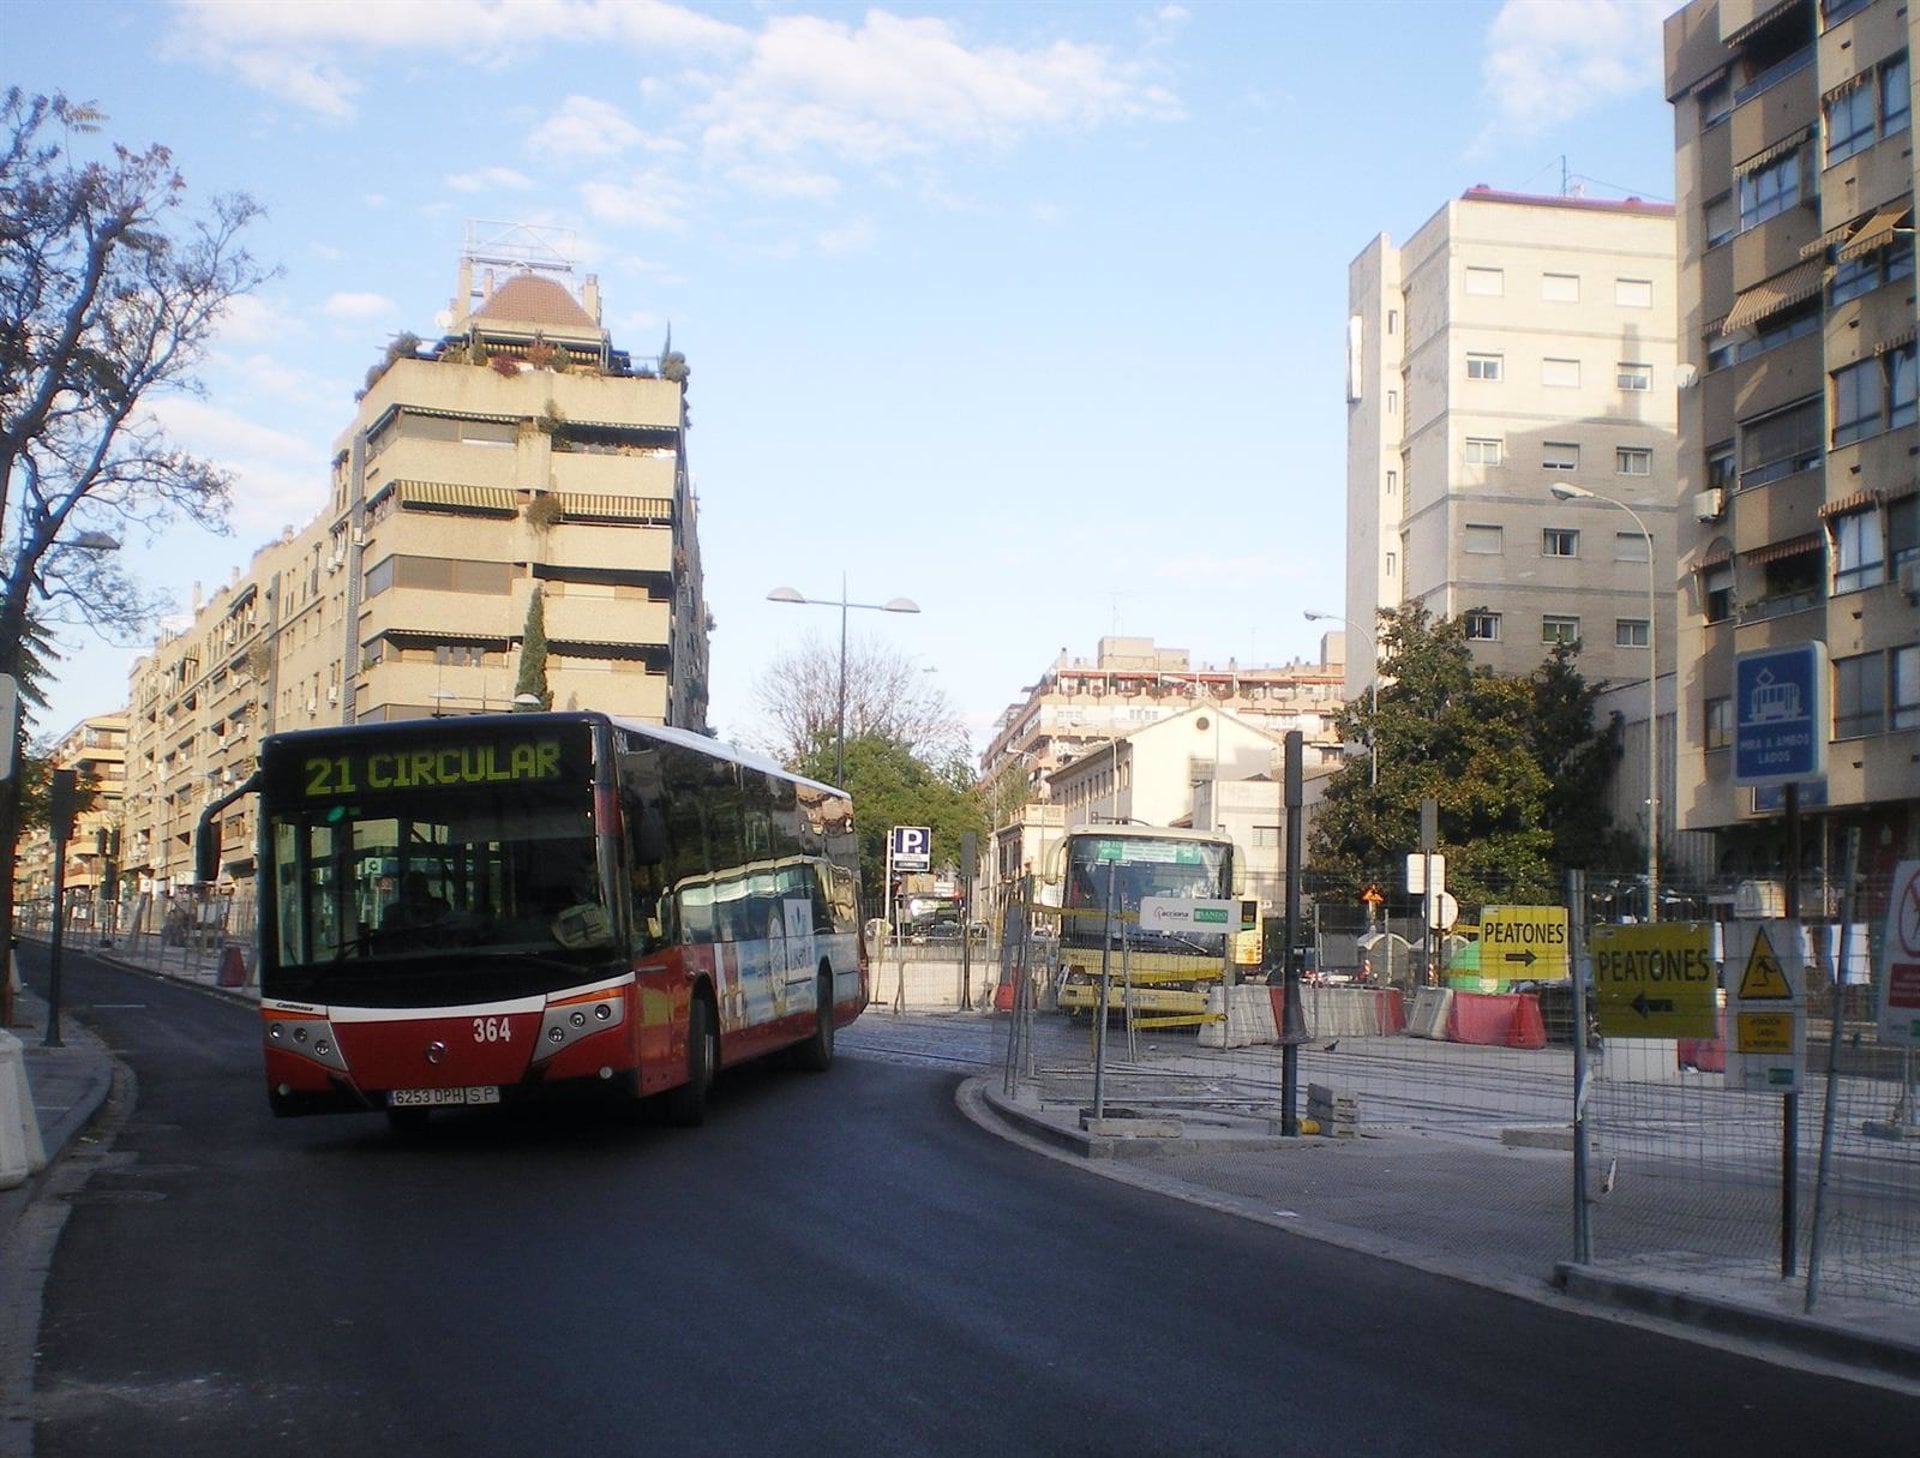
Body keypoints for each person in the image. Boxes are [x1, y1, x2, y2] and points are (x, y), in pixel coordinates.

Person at [383, 871, 448, 931]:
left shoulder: (440, 908)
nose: (415, 893)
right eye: (411, 889)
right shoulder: (392, 912)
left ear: (425, 887)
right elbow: (385, 937)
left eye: (418, 887)